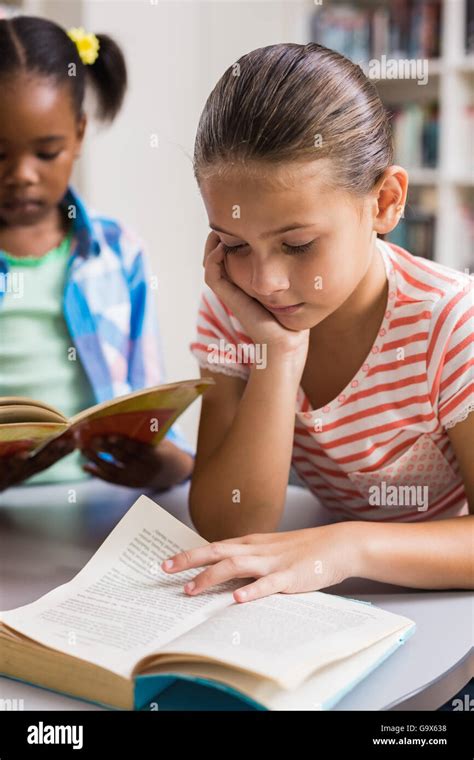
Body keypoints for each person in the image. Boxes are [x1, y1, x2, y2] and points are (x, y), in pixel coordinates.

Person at [161, 43, 473, 600]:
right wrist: (278, 358)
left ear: (385, 202)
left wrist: (349, 545)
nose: (265, 281)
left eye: (298, 244)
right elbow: (227, 525)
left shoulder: (450, 321)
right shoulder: (237, 311)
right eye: (233, 244)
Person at [0, 16, 194, 492]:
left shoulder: (119, 252)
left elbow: (149, 404)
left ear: (80, 135)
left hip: (99, 499)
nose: (22, 175)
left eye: (46, 153)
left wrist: (172, 465)